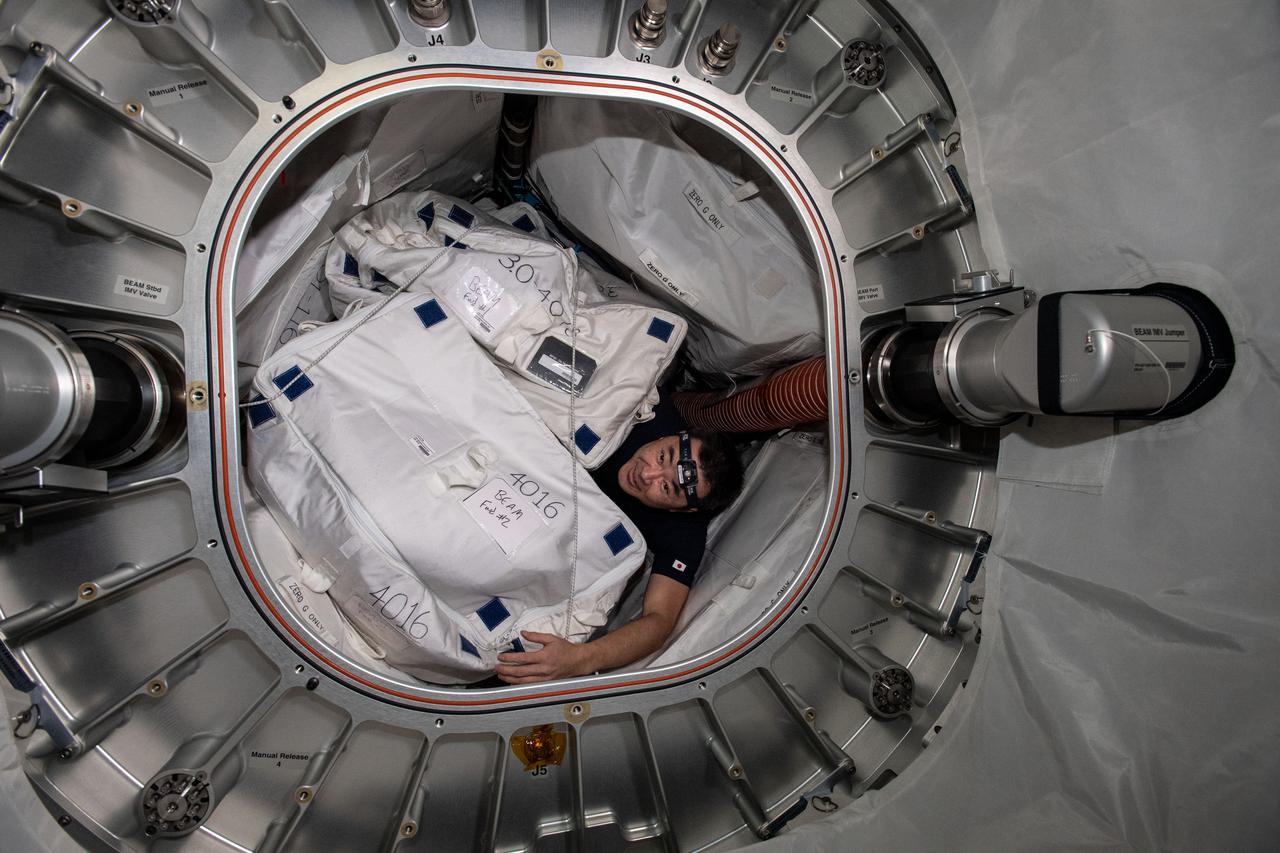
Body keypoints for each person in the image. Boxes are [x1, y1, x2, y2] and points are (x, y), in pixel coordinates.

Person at [495, 387, 743, 684]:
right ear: (670, 435)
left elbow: (659, 622)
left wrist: (581, 659)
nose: (647, 475)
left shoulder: (683, 533)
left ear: (684, 511)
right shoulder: (645, 407)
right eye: (663, 456)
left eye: (666, 489)